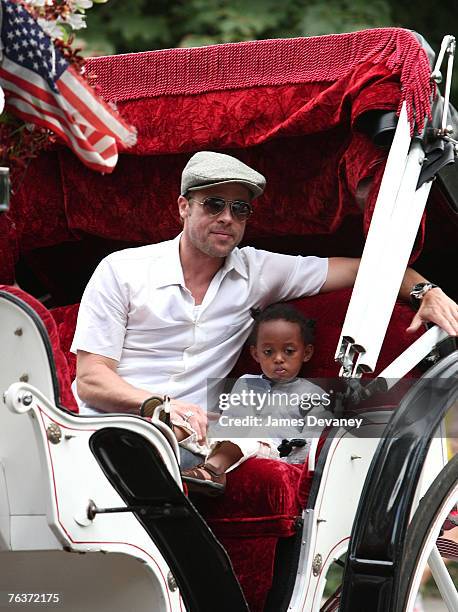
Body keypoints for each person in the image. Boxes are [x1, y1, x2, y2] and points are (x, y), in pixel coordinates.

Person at [71, 151, 458, 445]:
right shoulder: (121, 270)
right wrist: (160, 406)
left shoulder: (258, 270)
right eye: (214, 204)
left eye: (240, 209)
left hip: (203, 436)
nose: (227, 217)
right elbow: (91, 380)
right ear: (183, 207)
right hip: (114, 430)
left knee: (313, 410)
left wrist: (428, 291)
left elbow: (364, 269)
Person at [180, 303, 326, 495]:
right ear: (256, 354)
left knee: (245, 438)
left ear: (306, 353)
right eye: (268, 352)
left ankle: (213, 471)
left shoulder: (313, 395)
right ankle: (155, 445)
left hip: (271, 449)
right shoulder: (245, 382)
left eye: (289, 351)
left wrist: (290, 452)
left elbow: (311, 444)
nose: (279, 359)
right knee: (189, 421)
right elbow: (231, 419)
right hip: (229, 436)